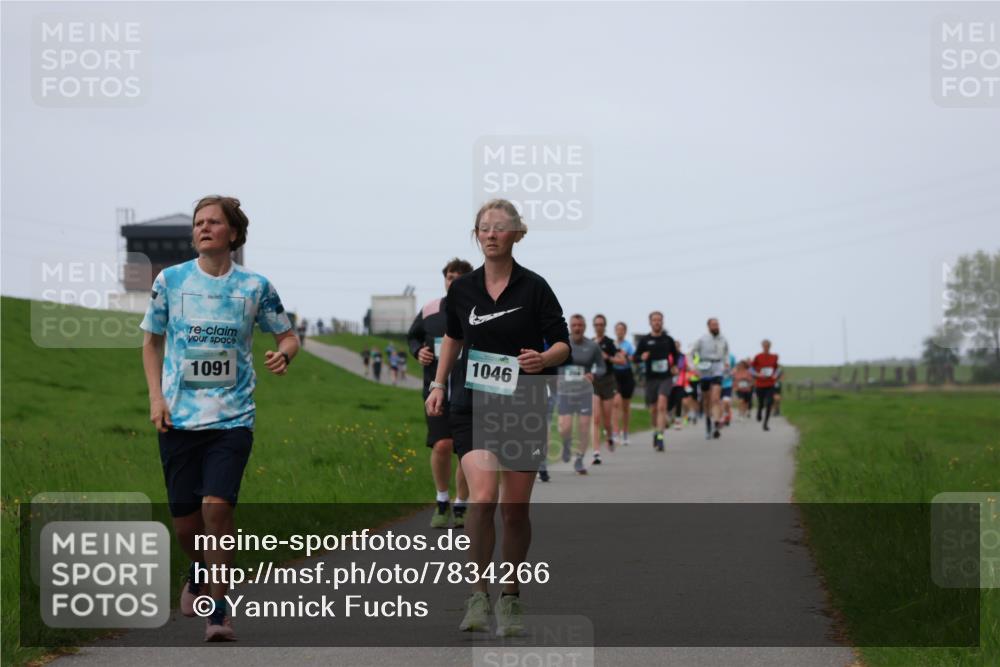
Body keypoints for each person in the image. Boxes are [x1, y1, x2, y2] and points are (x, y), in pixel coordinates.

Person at [140, 195, 299, 642]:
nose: (203, 228)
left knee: (217, 509)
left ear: (233, 232)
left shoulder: (255, 286)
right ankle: (196, 569)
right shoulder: (170, 280)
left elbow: (288, 336)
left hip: (233, 419)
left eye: (213, 222)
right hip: (178, 420)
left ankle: (219, 611)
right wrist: (156, 399)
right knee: (186, 524)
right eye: (198, 223)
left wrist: (283, 355)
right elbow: (150, 343)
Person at [426, 199, 569, 637]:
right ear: (477, 235)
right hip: (472, 403)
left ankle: (510, 595)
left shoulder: (535, 287)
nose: (490, 234)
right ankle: (476, 594)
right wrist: (437, 384)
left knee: (515, 510)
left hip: (522, 402)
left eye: (500, 228)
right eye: (483, 228)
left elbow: (562, 344)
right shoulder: (463, 290)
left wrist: (542, 358)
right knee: (484, 496)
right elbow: (451, 337)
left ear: (517, 234)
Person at [408, 258, 474, 529]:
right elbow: (413, 337)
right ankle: (442, 499)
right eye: (449, 276)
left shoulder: (478, 310)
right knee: (442, 444)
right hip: (435, 389)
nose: (453, 281)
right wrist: (418, 351)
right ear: (444, 280)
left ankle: (461, 504)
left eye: (459, 277)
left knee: (465, 452)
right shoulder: (430, 310)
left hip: (468, 390)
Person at [559, 314, 602, 473]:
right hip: (565, 392)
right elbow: (553, 363)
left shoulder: (592, 346)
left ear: (584, 327)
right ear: (570, 326)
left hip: (584, 392)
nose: (577, 328)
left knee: (584, 427)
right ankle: (566, 444)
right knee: (565, 427)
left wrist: (593, 374)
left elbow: (601, 366)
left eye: (580, 325)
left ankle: (579, 459)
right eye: (574, 325)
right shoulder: (563, 345)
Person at [633, 311, 679, 452]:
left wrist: (674, 366)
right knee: (653, 409)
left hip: (665, 377)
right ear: (650, 322)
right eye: (654, 320)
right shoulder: (645, 340)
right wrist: (642, 357)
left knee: (661, 405)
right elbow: (635, 358)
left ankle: (660, 437)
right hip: (651, 378)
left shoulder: (668, 339)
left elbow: (676, 356)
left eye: (659, 320)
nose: (657, 322)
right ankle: (655, 431)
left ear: (662, 322)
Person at [692, 318, 730, 440]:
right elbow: (692, 353)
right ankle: (708, 423)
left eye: (717, 324)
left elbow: (726, 353)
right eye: (713, 325)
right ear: (708, 326)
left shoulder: (723, 339)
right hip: (705, 369)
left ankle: (716, 423)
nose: (716, 326)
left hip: (718, 368)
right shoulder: (702, 339)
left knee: (715, 398)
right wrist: (694, 367)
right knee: (706, 400)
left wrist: (726, 363)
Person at [590, 314, 620, 463]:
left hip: (608, 381)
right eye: (596, 324)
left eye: (601, 324)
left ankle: (609, 436)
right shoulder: (588, 343)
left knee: (607, 420)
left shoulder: (610, 343)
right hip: (594, 382)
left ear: (605, 326)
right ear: (593, 326)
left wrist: (608, 357)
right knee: (595, 418)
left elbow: (621, 360)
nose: (599, 327)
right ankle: (596, 452)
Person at [611, 321, 635, 445]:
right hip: (615, 375)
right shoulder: (612, 344)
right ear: (615, 331)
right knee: (616, 403)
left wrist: (626, 356)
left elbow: (635, 359)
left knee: (625, 407)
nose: (620, 332)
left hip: (627, 375)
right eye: (618, 329)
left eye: (622, 330)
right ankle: (615, 432)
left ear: (625, 332)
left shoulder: (629, 345)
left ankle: (625, 433)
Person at [752, 340, 780, 430]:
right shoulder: (758, 356)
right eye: (764, 346)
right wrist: (757, 375)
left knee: (769, 403)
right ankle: (759, 411)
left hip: (770, 384)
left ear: (770, 346)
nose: (766, 347)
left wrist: (775, 376)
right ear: (762, 346)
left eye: (768, 346)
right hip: (760, 384)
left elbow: (776, 369)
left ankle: (765, 424)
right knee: (761, 403)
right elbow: (750, 369)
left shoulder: (774, 357)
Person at [720, 352, 737, 426]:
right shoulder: (714, 356)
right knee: (720, 402)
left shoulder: (731, 356)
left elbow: (735, 368)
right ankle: (724, 416)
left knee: (726, 401)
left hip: (728, 383)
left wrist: (733, 372)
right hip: (717, 383)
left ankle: (726, 416)